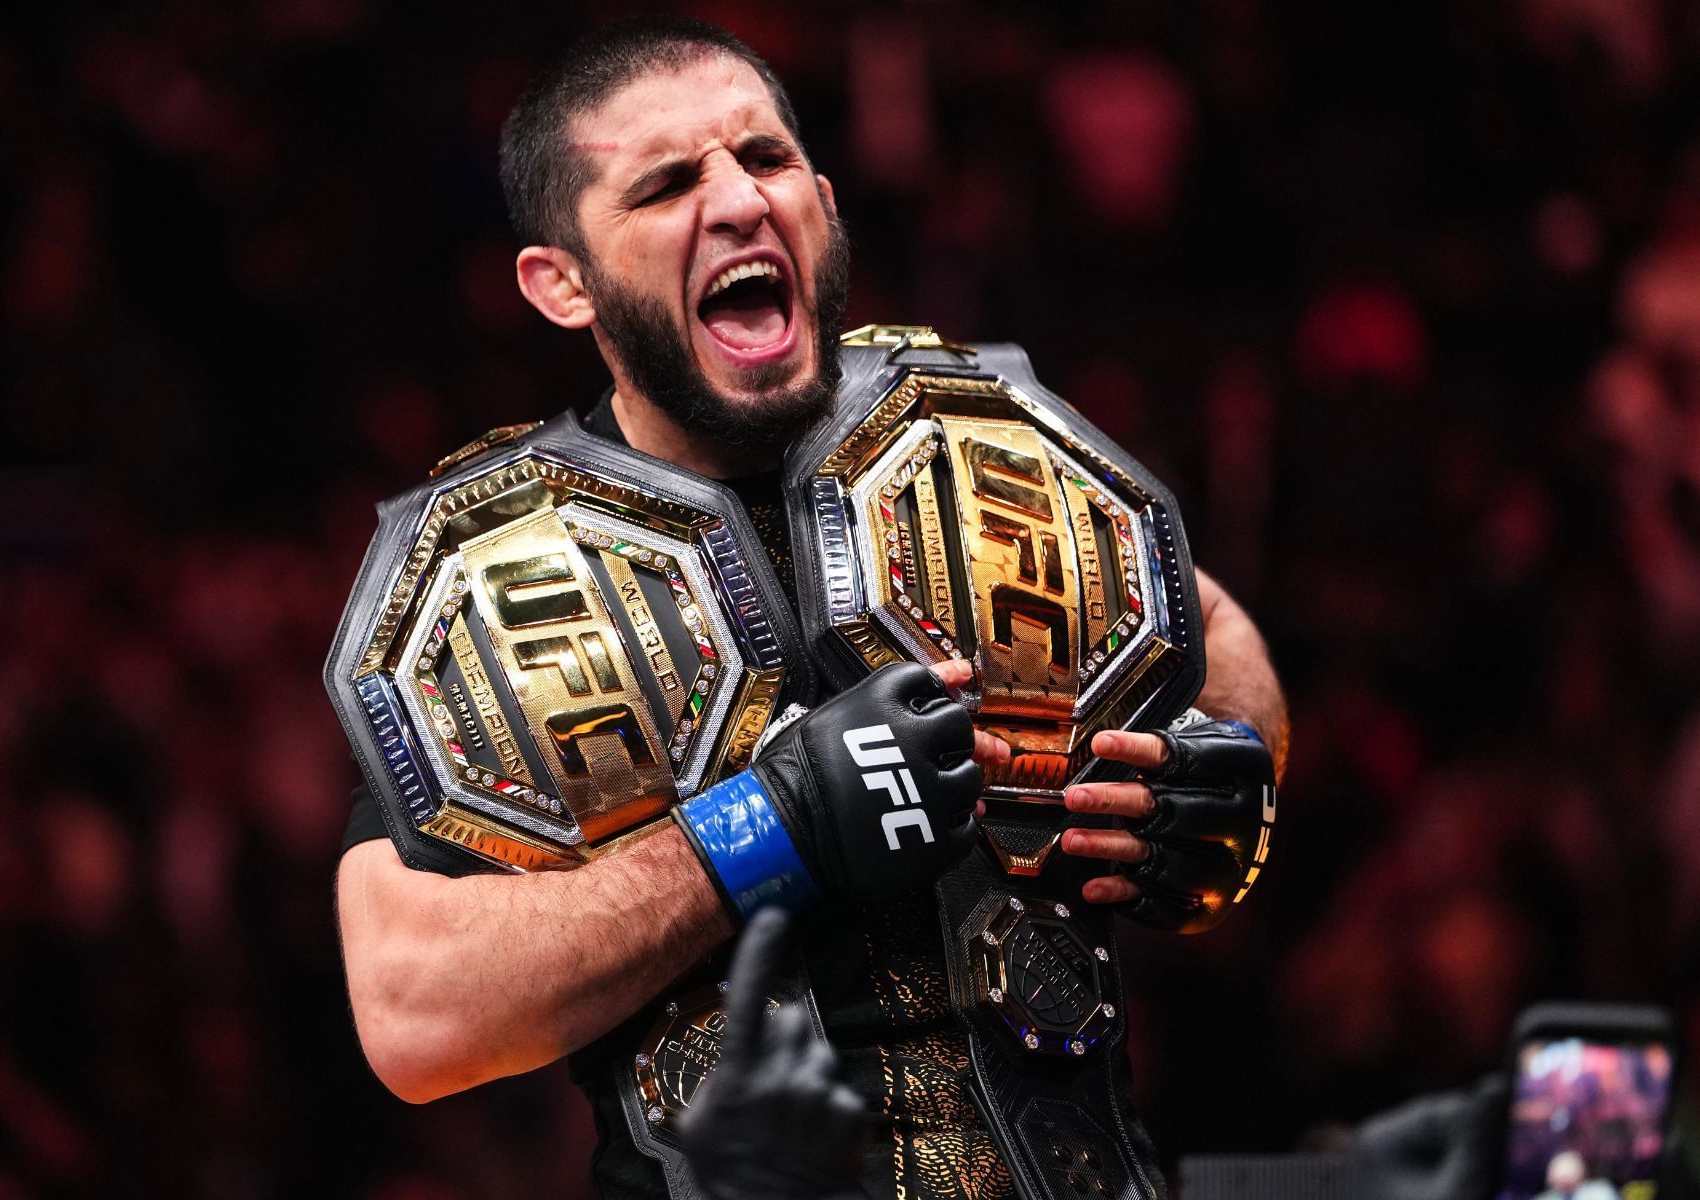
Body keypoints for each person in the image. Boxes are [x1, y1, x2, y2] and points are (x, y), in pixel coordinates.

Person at [333, 17, 1288, 1199]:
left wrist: (1219, 762)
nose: (738, 201)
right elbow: (412, 1015)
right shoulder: (494, 580)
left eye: (766, 160)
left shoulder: (976, 440)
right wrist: (763, 830)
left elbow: (1209, 625)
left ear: (824, 204)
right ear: (562, 283)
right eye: (671, 183)